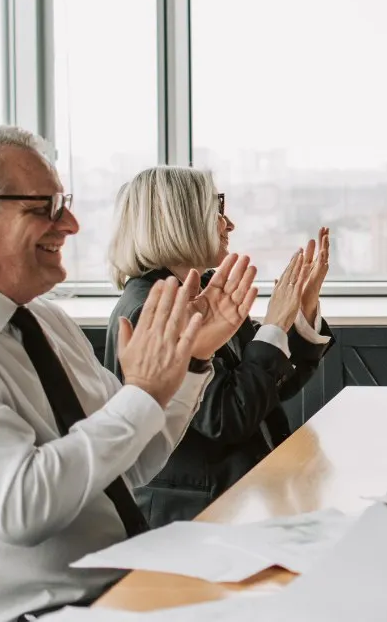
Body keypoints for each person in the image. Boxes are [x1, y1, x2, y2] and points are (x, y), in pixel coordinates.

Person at [0, 125, 258, 621]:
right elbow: (20, 506)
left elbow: (132, 463)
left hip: (126, 587)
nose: (71, 224)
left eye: (65, 203)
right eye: (44, 208)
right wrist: (140, 393)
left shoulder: (49, 322)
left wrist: (193, 362)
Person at [105, 166, 334, 527]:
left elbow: (267, 388)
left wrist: (298, 314)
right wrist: (274, 324)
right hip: (195, 519)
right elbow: (226, 417)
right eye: (217, 210)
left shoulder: (206, 287)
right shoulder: (149, 308)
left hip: (245, 498)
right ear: (180, 220)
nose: (229, 224)